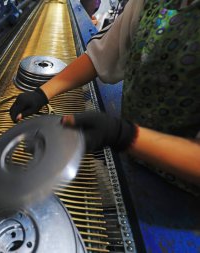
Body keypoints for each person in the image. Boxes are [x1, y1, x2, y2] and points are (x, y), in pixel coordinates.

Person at [10, 0, 200, 192]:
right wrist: (43, 93)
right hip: (132, 152)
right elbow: (105, 52)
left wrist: (122, 135)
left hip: (182, 190)